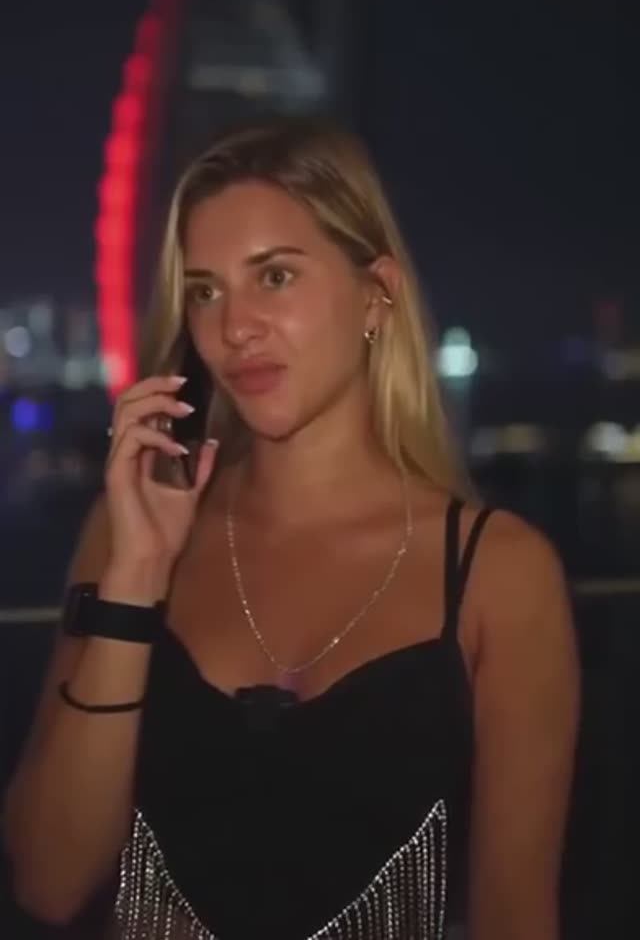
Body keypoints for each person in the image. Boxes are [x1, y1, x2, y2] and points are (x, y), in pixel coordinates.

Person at [3, 119, 580, 939]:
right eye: (205, 291)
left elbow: (517, 917)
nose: (235, 327)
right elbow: (48, 881)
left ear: (376, 295)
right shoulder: (130, 533)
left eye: (274, 276)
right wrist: (135, 577)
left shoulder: (500, 573)